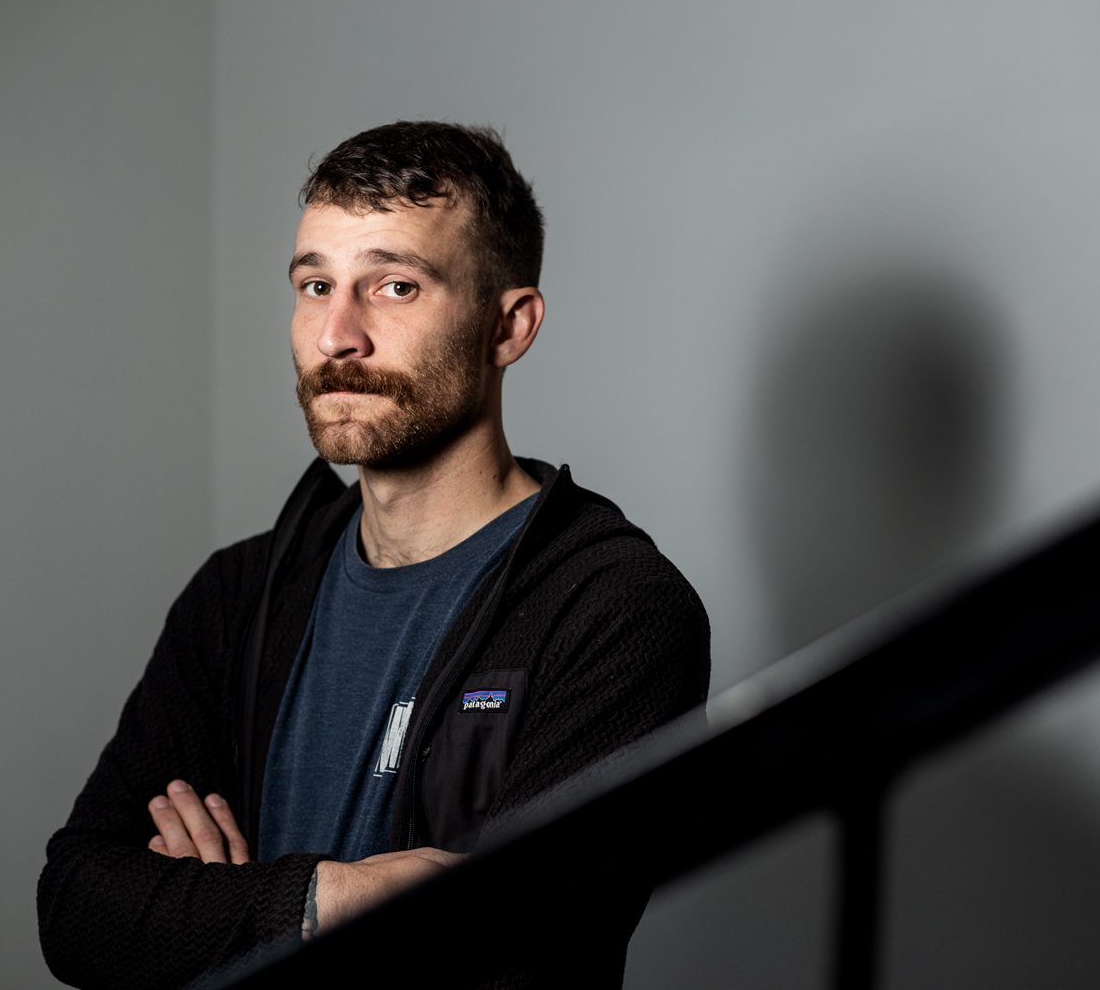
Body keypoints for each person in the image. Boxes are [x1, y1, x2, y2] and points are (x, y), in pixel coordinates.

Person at [36, 121, 710, 989]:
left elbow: (519, 962)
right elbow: (77, 907)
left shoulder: (613, 611)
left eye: (395, 286)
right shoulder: (239, 595)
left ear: (509, 326)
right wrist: (322, 900)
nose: (336, 336)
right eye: (316, 285)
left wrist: (205, 912)